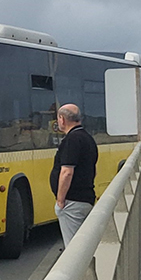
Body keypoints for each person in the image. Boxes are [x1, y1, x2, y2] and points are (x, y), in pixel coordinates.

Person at [50, 104, 98, 248]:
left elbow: (67, 172)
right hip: (85, 198)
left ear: (62, 120)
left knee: (74, 248)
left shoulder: (72, 140)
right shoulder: (88, 138)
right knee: (83, 246)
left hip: (72, 202)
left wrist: (60, 200)